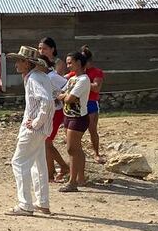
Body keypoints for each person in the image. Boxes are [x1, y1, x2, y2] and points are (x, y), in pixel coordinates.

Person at [5, 45, 54, 216]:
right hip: (41, 129)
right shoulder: (41, 76)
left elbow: (46, 101)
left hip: (33, 129)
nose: (16, 64)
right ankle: (42, 202)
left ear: (27, 63)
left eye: (19, 61)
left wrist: (36, 122)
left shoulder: (34, 79)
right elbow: (52, 99)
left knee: (18, 162)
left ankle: (25, 204)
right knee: (38, 164)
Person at [58, 51, 93, 193]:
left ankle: (72, 182)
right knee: (76, 148)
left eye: (70, 62)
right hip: (68, 115)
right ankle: (81, 178)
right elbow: (61, 93)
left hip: (78, 117)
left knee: (72, 149)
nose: (67, 65)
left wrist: (63, 96)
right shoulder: (73, 79)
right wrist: (63, 95)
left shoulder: (83, 80)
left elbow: (68, 98)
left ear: (78, 62)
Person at [37, 38, 69, 183]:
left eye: (44, 48)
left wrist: (59, 96)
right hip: (47, 111)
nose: (41, 51)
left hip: (56, 111)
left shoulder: (52, 75)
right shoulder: (42, 76)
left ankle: (63, 166)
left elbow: (68, 85)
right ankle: (50, 174)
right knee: (45, 142)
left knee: (46, 142)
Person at [81, 46, 106, 164]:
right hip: (79, 102)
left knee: (92, 129)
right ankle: (78, 153)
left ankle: (96, 153)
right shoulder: (78, 72)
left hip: (91, 102)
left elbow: (96, 88)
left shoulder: (97, 72)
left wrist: (82, 82)